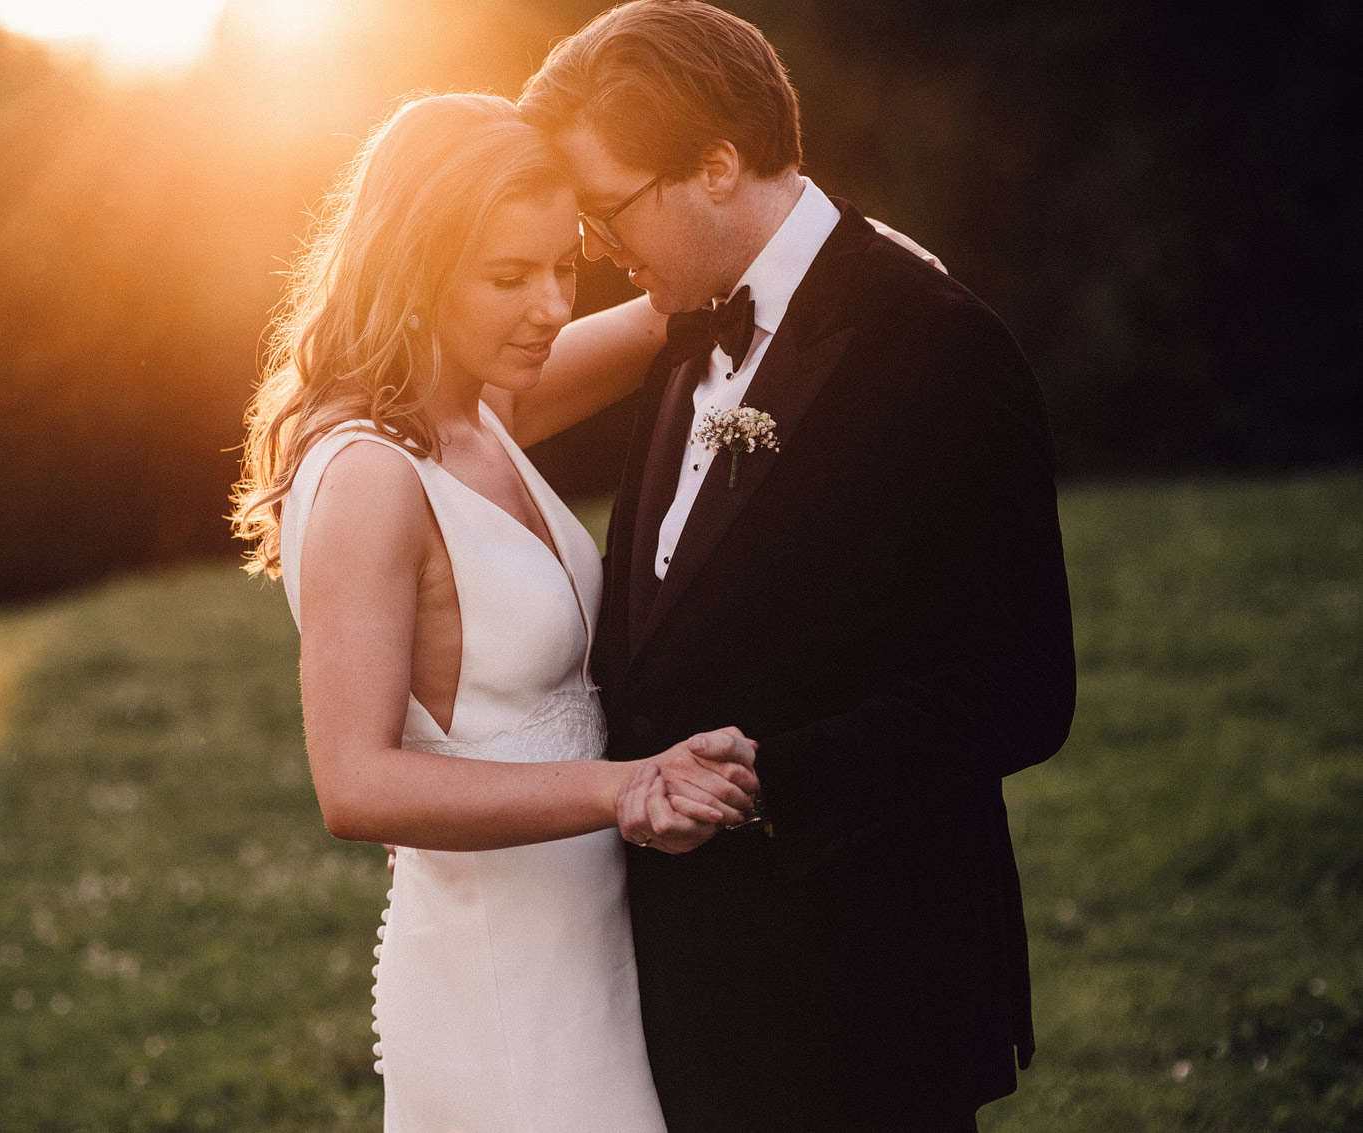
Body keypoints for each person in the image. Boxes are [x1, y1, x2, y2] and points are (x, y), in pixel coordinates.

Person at [491, 2, 1079, 1129]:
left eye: (609, 212)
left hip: (862, 983)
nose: (603, 253)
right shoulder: (680, 325)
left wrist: (768, 780)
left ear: (715, 166)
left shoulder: (936, 343)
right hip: (690, 987)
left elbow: (1019, 690)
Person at [228, 92, 762, 1131]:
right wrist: (624, 786)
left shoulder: (476, 409)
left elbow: (684, 304)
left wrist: (842, 247)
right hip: (500, 988)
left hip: (587, 952)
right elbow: (354, 782)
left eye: (563, 267)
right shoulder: (370, 475)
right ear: (413, 269)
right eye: (507, 276)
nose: (550, 307)